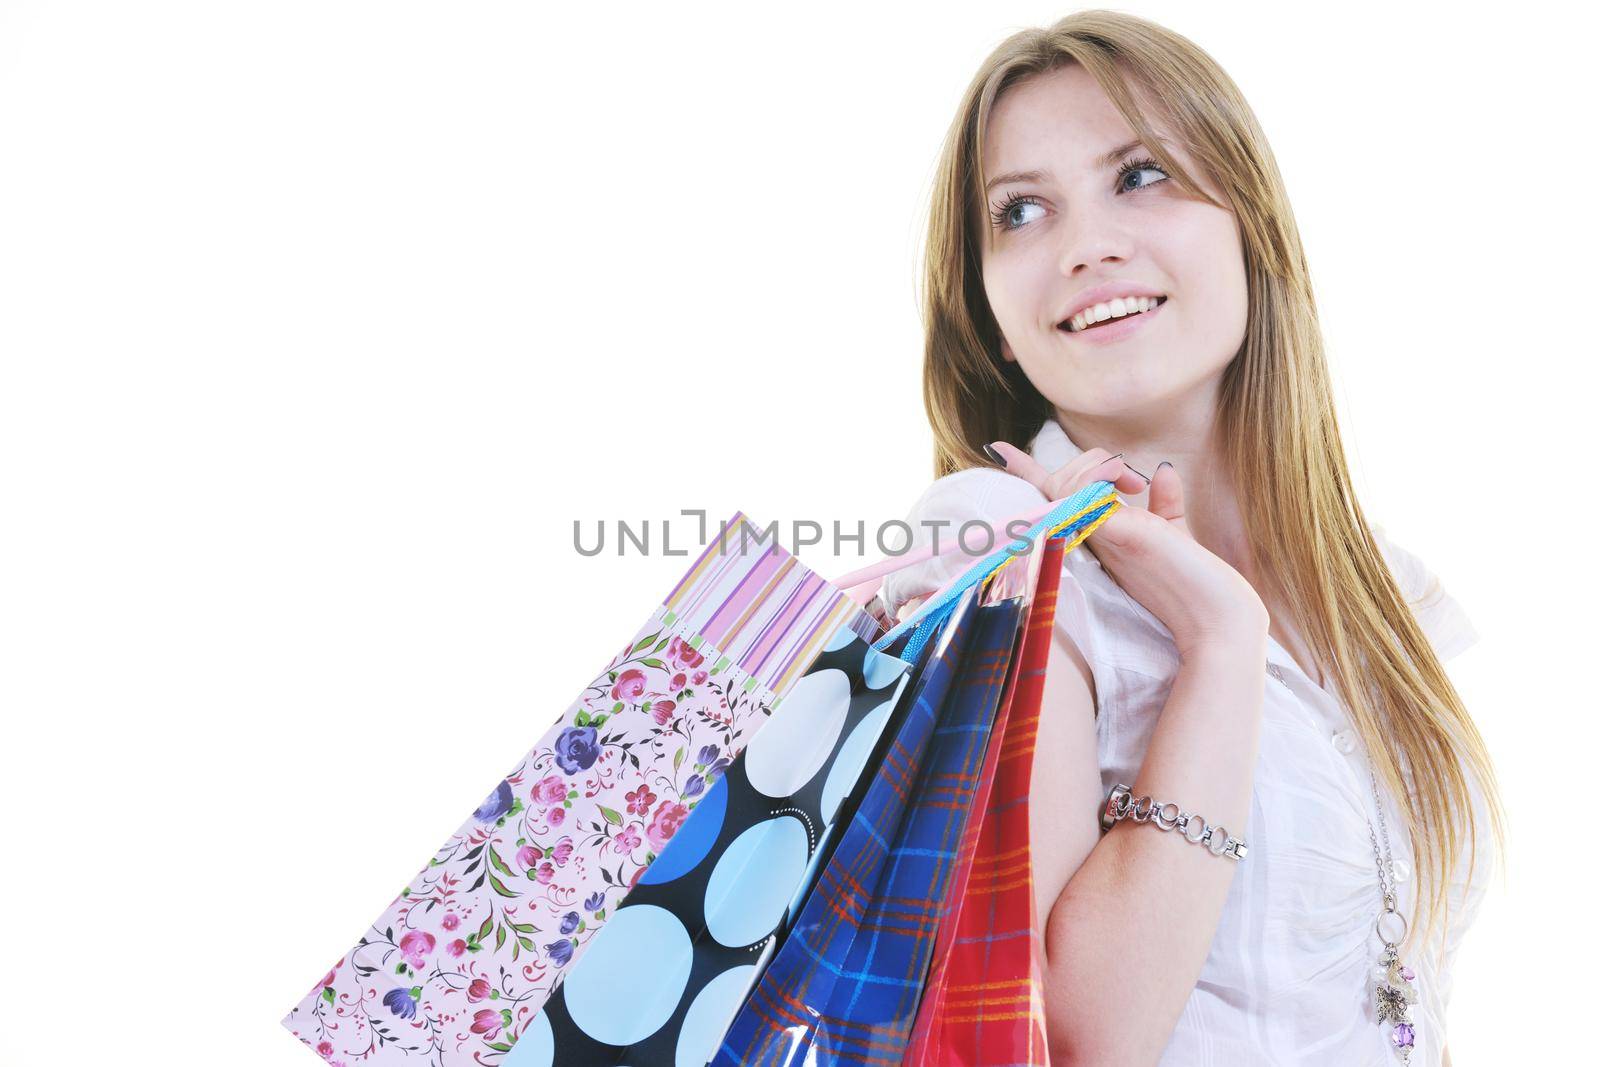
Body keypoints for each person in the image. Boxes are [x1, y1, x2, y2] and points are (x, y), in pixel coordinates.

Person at [876, 11, 1504, 1066]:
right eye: (1020, 211)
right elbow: (1073, 1037)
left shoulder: (1379, 582)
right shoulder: (995, 546)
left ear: (1250, 222)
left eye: (1140, 175)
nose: (1086, 246)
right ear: (984, 309)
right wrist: (1219, 643)